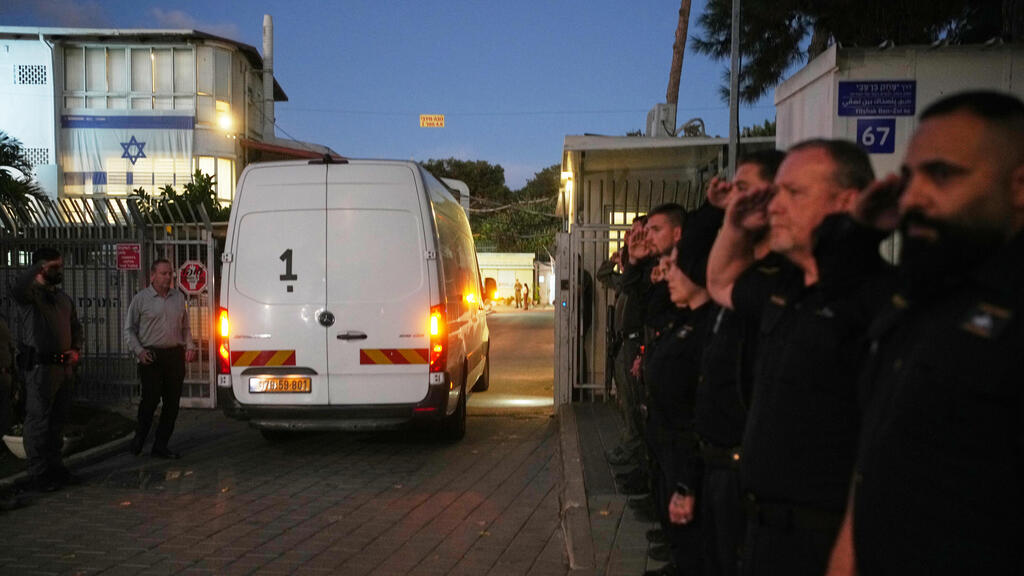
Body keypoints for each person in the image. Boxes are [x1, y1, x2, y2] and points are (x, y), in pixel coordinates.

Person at [826, 91, 1024, 576]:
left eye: (942, 175)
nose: (912, 197)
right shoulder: (924, 296)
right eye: (909, 178)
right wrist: (860, 229)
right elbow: (840, 286)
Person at [706, 140, 891, 576]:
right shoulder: (786, 288)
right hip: (762, 534)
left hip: (824, 544)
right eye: (776, 193)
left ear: (847, 201)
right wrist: (733, 226)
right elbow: (719, 282)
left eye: (795, 193)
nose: (775, 206)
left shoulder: (876, 300)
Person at [694, 150, 784, 576]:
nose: (734, 198)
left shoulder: (784, 279)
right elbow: (701, 268)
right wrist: (716, 214)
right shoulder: (743, 276)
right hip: (717, 462)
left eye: (745, 190)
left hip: (748, 469)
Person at [10, 247, 83, 492]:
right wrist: (36, 269)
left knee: (57, 421)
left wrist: (76, 350)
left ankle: (55, 467)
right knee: (38, 420)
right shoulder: (31, 297)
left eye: (60, 266)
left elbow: (75, 327)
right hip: (40, 369)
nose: (59, 271)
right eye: (54, 267)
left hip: (63, 368)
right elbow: (18, 287)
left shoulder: (62, 298)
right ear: (41, 268)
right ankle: (38, 473)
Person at [125, 259, 197, 459]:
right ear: (153, 275)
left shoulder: (178, 298)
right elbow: (129, 329)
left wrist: (190, 345)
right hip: (151, 356)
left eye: (170, 273)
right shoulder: (141, 299)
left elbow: (185, 327)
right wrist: (139, 351)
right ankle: (139, 438)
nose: (168, 277)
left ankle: (161, 444)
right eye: (164, 273)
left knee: (172, 403)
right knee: (150, 399)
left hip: (173, 355)